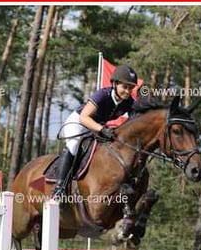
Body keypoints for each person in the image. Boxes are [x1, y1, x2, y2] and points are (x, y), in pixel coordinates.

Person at [52, 64, 139, 198]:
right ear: (115, 84)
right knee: (74, 145)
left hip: (97, 128)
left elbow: (135, 122)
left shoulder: (129, 102)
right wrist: (102, 129)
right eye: (125, 87)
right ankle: (59, 188)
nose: (128, 91)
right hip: (78, 123)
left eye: (131, 88)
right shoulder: (102, 95)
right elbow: (84, 117)